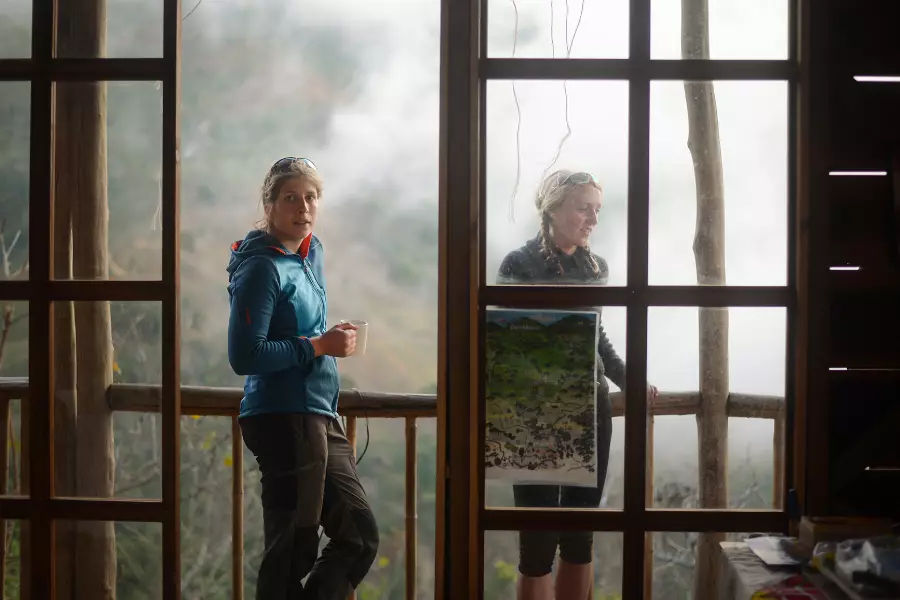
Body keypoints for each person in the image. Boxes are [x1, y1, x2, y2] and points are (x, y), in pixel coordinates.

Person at [497, 169, 657, 600]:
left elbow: (596, 336)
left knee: (580, 535)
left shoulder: (595, 267)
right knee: (536, 542)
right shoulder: (518, 264)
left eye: (597, 209)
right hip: (533, 413)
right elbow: (505, 341)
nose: (593, 219)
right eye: (584, 208)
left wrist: (631, 381)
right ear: (553, 209)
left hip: (591, 407)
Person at [227, 157, 379, 600]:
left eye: (311, 197)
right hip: (282, 416)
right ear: (269, 205)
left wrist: (328, 339)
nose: (303, 207)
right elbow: (245, 355)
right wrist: (318, 346)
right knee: (290, 551)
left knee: (359, 535)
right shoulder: (260, 267)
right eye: (290, 198)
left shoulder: (312, 253)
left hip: (319, 411)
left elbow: (301, 327)